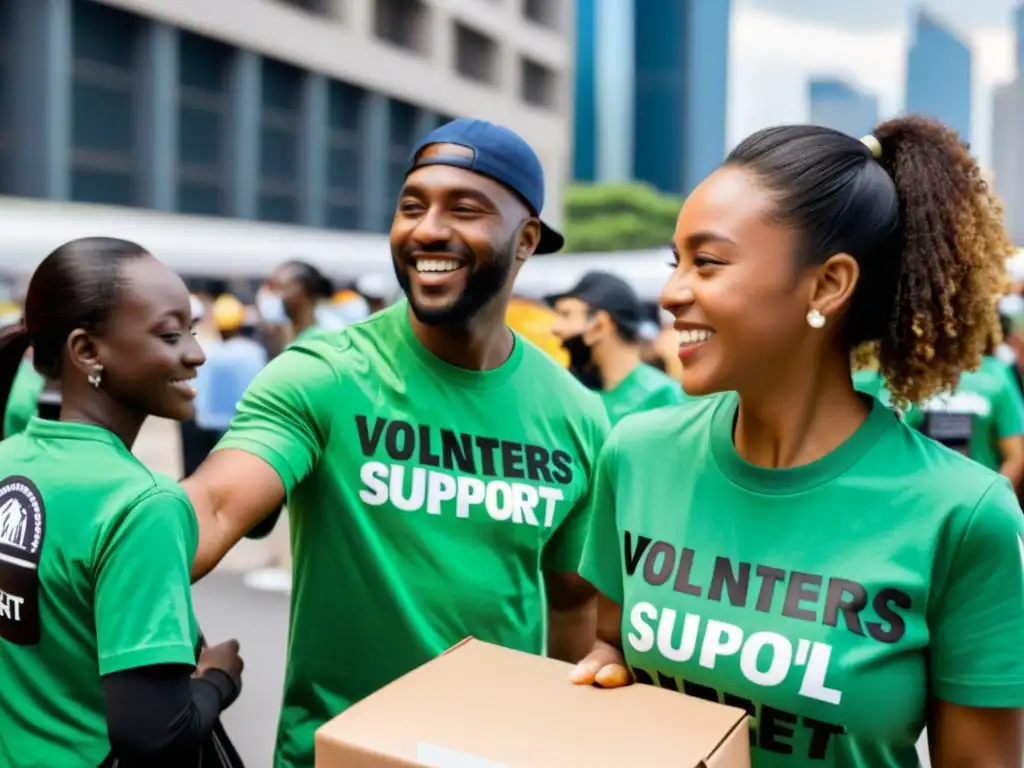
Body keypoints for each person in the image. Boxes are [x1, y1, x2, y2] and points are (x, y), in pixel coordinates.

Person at [570, 118, 1024, 767]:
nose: (671, 293)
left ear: (828, 285)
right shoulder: (637, 455)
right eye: (677, 263)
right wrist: (606, 673)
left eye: (709, 262)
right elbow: (612, 643)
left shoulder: (964, 514)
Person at [182, 118, 609, 768]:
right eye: (412, 206)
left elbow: (573, 606)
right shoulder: (323, 375)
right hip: (339, 755)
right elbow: (211, 509)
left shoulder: (578, 416)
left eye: (464, 209)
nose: (428, 229)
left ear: (525, 241)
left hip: (499, 755)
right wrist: (82, 546)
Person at [0, 238, 244, 767]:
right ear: (87, 351)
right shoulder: (144, 505)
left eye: (194, 332)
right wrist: (218, 680)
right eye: (170, 334)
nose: (197, 353)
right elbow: (153, 736)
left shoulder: (7, 460)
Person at [550, 271, 685, 425]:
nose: (555, 328)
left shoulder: (661, 396)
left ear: (600, 325)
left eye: (566, 315)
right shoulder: (576, 393)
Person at [256, 259, 335, 348]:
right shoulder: (289, 338)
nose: (267, 294)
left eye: (276, 287)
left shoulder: (326, 338)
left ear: (302, 292)